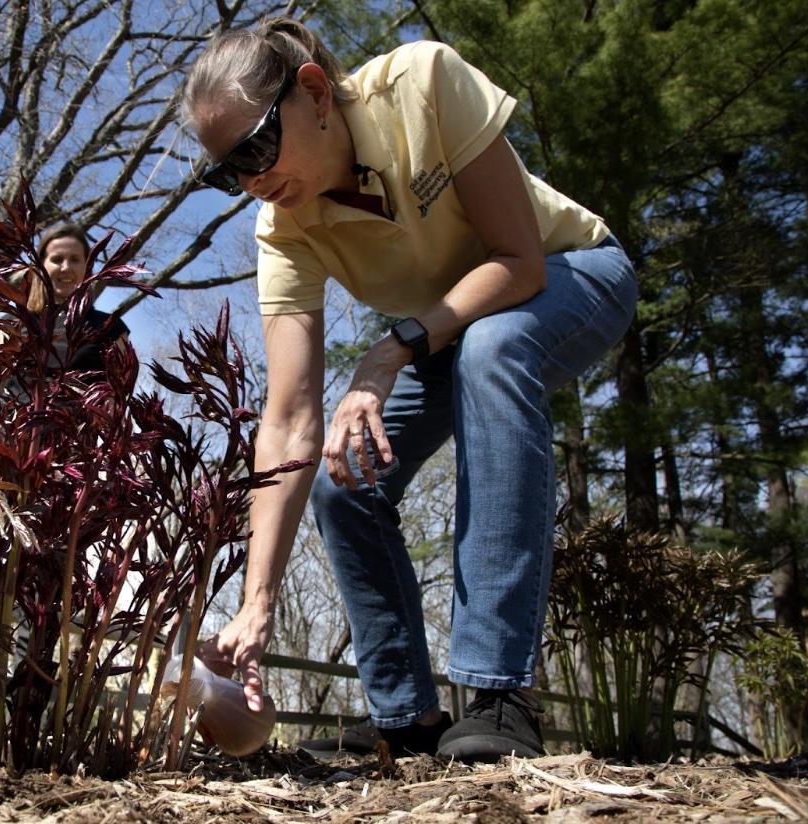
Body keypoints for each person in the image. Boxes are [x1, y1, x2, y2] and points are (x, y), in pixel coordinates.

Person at [181, 18, 637, 762]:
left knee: (494, 345)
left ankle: (499, 693)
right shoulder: (284, 229)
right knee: (342, 482)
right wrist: (256, 603)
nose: (252, 182)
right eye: (226, 171)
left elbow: (521, 265)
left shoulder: (422, 84)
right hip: (450, 334)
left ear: (315, 93)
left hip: (573, 274)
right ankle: (407, 719)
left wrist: (390, 352)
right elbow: (290, 419)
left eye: (257, 148)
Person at [29, 222, 133, 375]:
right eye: (57, 259)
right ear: (41, 266)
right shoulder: (13, 324)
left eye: (75, 259)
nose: (66, 267)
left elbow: (120, 392)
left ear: (87, 268)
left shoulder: (111, 328)